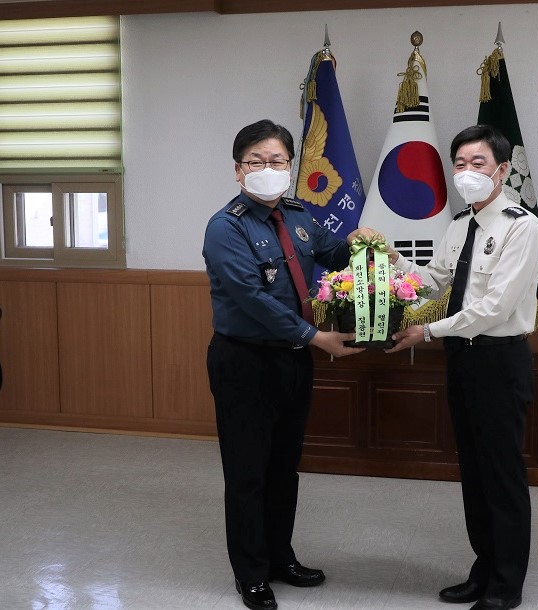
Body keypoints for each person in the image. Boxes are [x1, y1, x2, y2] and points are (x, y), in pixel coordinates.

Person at [203, 119, 378, 610]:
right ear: (238, 171)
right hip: (246, 361)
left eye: (277, 160)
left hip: (294, 361)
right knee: (247, 473)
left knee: (284, 468)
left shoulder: (298, 215)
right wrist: (316, 337)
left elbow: (333, 253)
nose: (268, 168)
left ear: (290, 166)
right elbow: (252, 298)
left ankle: (281, 557)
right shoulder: (226, 227)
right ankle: (252, 575)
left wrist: (360, 241)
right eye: (256, 161)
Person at [386, 124, 538, 610]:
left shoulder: (522, 227)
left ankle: (506, 585)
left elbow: (495, 307)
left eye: (478, 163)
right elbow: (433, 282)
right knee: (474, 472)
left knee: (502, 474)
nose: (467, 172)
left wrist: (428, 332)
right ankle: (483, 570)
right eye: (459, 164)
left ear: (502, 169)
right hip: (462, 360)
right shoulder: (459, 225)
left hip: (499, 360)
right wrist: (391, 259)